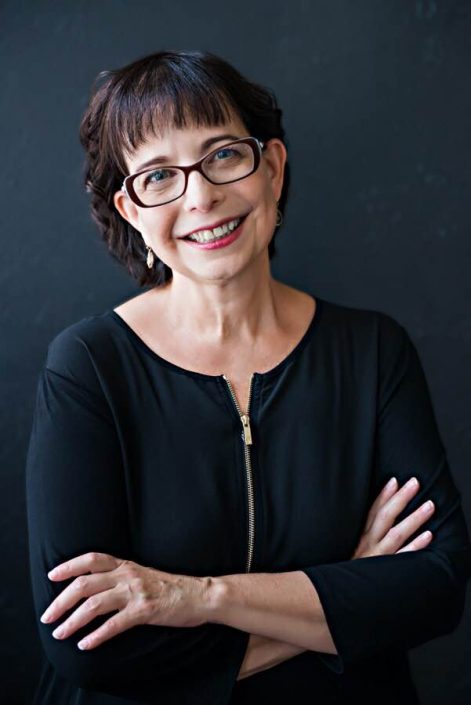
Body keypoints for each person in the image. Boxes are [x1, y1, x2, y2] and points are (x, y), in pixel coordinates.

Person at [25, 49, 471, 705]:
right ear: (131, 209)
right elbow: (86, 643)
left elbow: (437, 585)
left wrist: (198, 596)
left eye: (224, 155)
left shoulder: (374, 350)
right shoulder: (89, 366)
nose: (201, 195)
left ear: (273, 168)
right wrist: (347, 594)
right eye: (159, 176)